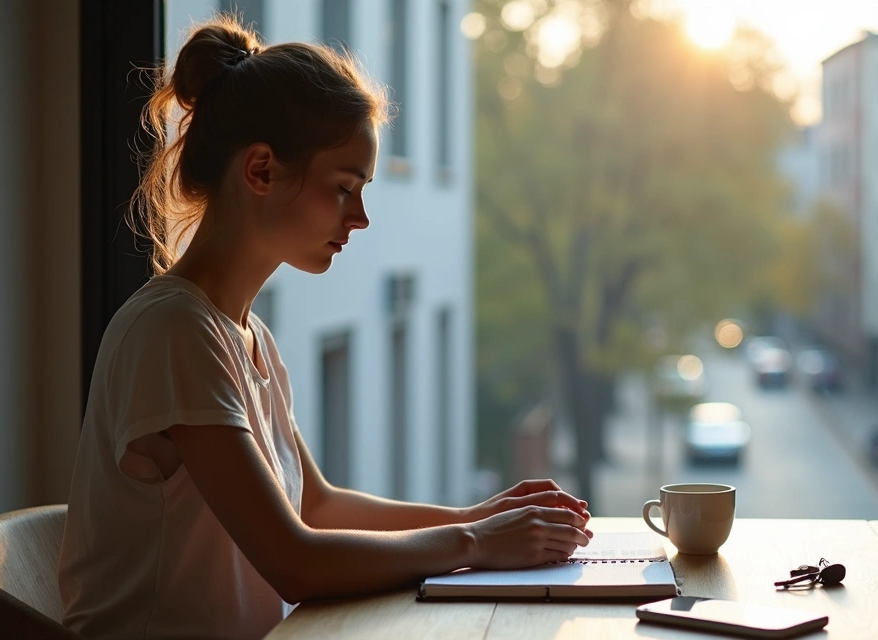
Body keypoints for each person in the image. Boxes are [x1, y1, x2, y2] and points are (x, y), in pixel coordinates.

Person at [58, 16, 593, 640]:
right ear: (261, 170)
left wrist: (475, 517)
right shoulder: (174, 331)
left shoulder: (247, 336)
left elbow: (316, 505)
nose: (360, 218)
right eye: (344, 188)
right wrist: (473, 539)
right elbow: (296, 563)